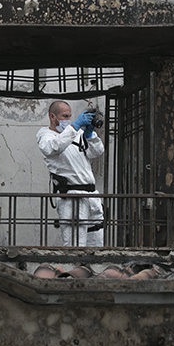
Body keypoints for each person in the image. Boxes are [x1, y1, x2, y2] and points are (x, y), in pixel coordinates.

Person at [36, 101, 104, 247]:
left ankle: (94, 270)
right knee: (76, 246)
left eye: (70, 116)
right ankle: (75, 270)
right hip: (72, 197)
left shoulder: (76, 133)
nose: (68, 120)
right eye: (65, 116)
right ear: (52, 117)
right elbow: (54, 147)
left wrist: (89, 135)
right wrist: (75, 126)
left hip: (91, 196)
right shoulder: (46, 136)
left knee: (97, 243)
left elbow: (96, 152)